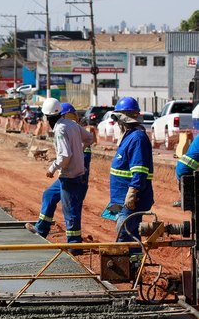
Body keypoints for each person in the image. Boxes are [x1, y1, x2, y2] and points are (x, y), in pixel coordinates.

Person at [27, 103, 94, 239]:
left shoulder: (61, 129)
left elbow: (64, 155)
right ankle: (41, 229)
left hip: (71, 176)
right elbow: (90, 138)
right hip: (66, 175)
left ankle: (74, 245)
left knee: (70, 212)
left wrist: (52, 169)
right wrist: (78, 149)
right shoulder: (72, 125)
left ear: (49, 117)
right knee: (49, 195)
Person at [108, 96, 154, 272]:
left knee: (125, 234)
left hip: (130, 200)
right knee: (128, 232)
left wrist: (133, 192)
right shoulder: (128, 137)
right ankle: (134, 267)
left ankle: (126, 270)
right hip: (119, 199)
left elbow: (140, 170)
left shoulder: (137, 138)